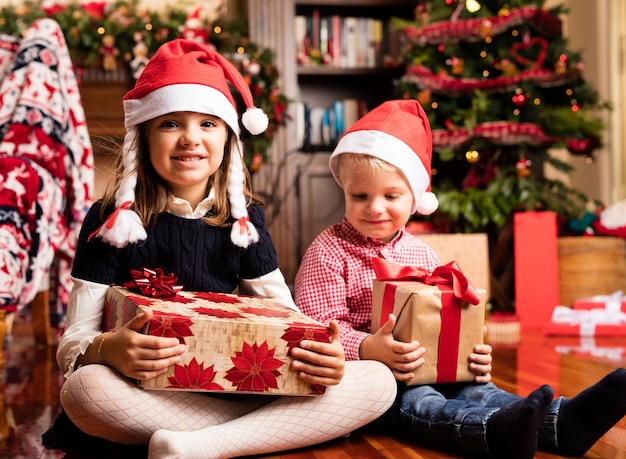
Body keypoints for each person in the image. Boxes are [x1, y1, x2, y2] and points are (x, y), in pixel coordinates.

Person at [53, 39, 397, 459]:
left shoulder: (244, 222)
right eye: (170, 124)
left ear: (229, 138)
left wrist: (320, 354)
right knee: (84, 390)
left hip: (235, 386)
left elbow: (289, 319)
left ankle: (200, 444)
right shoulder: (107, 220)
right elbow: (73, 341)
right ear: (142, 137)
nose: (190, 139)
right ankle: (263, 434)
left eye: (208, 123)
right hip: (141, 389)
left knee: (379, 381)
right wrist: (109, 350)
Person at [295, 99, 626, 459]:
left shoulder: (422, 254)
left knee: (479, 388)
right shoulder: (327, 251)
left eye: (391, 196)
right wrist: (365, 348)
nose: (374, 207)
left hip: (428, 365)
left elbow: (449, 318)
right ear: (344, 190)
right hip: (368, 381)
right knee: (421, 401)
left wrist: (471, 353)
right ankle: (490, 432)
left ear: (417, 197)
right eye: (359, 196)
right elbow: (317, 331)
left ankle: (561, 424)